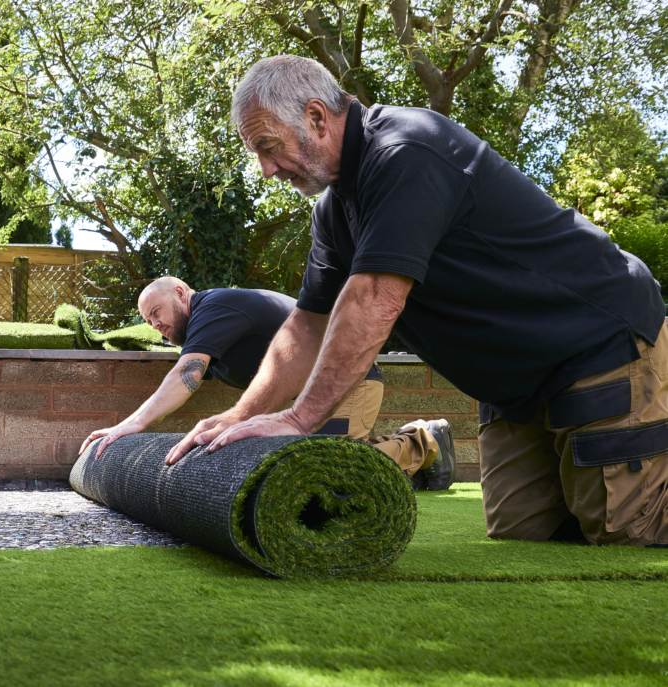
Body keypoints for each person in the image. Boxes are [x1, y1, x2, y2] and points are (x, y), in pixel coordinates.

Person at [165, 55, 668, 548]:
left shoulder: (407, 151)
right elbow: (306, 325)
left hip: (597, 342)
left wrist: (299, 420)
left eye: (268, 147)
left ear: (316, 118)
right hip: (517, 386)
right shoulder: (333, 210)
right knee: (523, 529)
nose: (266, 170)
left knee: (626, 527)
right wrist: (240, 416)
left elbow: (374, 299)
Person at [79, 276, 458, 489]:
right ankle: (410, 456)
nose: (156, 326)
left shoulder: (212, 308)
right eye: (149, 322)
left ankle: (422, 442)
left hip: (349, 382)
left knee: (328, 469)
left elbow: (185, 376)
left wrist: (131, 424)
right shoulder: (209, 333)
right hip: (310, 399)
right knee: (306, 471)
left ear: (180, 293)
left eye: (156, 312)